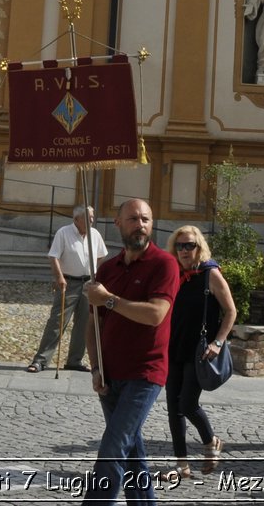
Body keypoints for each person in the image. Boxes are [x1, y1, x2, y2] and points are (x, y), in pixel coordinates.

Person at [83, 199, 180, 506]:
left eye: (146, 219)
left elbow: (155, 314)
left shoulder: (164, 264)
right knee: (133, 451)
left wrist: (109, 299)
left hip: (145, 373)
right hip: (110, 375)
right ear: (118, 223)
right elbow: (92, 323)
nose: (140, 225)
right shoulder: (107, 268)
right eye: (133, 219)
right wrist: (96, 367)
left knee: (114, 446)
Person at [162, 225, 235, 478]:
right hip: (174, 347)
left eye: (189, 245)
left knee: (188, 403)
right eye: (180, 246)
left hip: (199, 351)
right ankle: (181, 465)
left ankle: (210, 441)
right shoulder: (174, 274)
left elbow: (231, 311)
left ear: (199, 247)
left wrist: (218, 342)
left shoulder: (209, 274)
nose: (184, 250)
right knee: (173, 407)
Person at [29, 204, 107, 373]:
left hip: (88, 283)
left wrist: (93, 273)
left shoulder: (95, 234)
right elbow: (53, 256)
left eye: (93, 217)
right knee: (57, 322)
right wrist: (59, 277)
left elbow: (101, 256)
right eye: (88, 217)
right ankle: (41, 360)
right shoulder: (63, 232)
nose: (92, 220)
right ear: (76, 219)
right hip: (68, 282)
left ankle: (74, 360)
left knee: (85, 324)